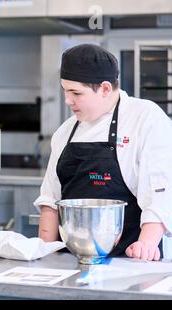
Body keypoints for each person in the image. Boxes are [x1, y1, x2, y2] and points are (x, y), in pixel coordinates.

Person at [34, 43, 172, 261]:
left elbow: (160, 191)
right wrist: (43, 253)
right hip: (69, 260)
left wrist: (146, 244)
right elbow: (51, 200)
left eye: (76, 93)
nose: (68, 101)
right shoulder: (66, 131)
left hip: (129, 257)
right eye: (65, 91)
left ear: (105, 89)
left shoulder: (144, 118)